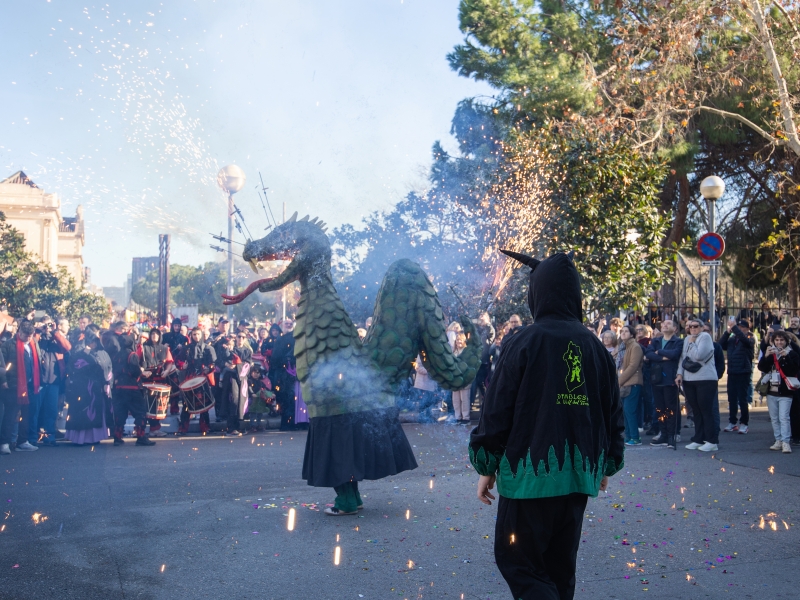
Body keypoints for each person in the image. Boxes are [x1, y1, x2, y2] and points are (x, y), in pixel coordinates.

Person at [470, 251, 624, 600]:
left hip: (530, 477)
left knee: (519, 562)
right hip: (578, 477)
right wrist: (607, 462)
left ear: (537, 293)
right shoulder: (594, 346)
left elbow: (497, 409)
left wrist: (487, 464)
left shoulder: (524, 340)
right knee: (560, 567)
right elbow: (612, 412)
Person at [0, 320, 43, 453]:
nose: (28, 338)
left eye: (30, 336)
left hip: (30, 385)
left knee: (27, 415)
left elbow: (37, 363)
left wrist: (39, 381)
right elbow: (1, 365)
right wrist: (3, 380)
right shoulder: (8, 345)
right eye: (25, 335)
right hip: (13, 385)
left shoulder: (34, 343)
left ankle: (23, 441)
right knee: (10, 415)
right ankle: (4, 443)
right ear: (19, 332)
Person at [677, 319, 719, 452]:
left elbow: (699, 356)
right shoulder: (687, 339)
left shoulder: (705, 337)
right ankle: (699, 438)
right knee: (696, 410)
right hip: (689, 379)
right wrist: (679, 374)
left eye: (695, 326)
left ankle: (711, 440)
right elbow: (683, 358)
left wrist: (692, 343)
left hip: (705, 379)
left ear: (701, 327)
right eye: (690, 326)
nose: (692, 328)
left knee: (706, 409)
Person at [64, 331, 113, 445]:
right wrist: (85, 354)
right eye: (91, 341)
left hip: (97, 389)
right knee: (82, 413)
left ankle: (95, 437)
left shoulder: (103, 353)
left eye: (95, 341)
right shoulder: (79, 353)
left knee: (95, 414)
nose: (93, 344)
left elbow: (109, 369)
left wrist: (107, 384)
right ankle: (81, 438)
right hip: (81, 389)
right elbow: (75, 367)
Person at [758, 329, 798, 453]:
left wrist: (786, 357)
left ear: (786, 341)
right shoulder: (771, 352)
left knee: (784, 417)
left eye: (781, 340)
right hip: (772, 390)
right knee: (774, 418)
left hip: (785, 391)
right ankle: (778, 440)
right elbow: (762, 367)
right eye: (777, 340)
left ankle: (786, 442)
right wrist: (766, 356)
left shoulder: (792, 353)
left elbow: (794, 370)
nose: (779, 342)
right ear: (773, 341)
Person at [111, 333, 155, 447]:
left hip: (119, 388)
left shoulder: (116, 355)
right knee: (140, 412)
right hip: (132, 388)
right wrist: (142, 371)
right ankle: (141, 436)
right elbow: (135, 372)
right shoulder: (132, 355)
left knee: (120, 412)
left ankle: (117, 437)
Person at [645, 319, 683, 448]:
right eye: (663, 324)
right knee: (660, 408)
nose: (664, 325)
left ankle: (672, 435)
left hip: (670, 380)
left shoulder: (678, 341)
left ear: (675, 329)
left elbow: (675, 354)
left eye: (668, 324)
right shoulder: (655, 341)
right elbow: (649, 354)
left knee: (671, 408)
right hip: (656, 379)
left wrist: (659, 352)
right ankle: (663, 434)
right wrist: (663, 357)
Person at [37, 316, 71, 446]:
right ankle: (32, 437)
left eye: (50, 325)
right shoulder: (39, 338)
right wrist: (39, 330)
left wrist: (55, 332)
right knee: (35, 410)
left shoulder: (58, 339)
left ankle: (49, 436)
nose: (47, 328)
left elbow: (67, 347)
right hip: (38, 380)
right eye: (46, 325)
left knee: (51, 410)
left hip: (53, 381)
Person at [720, 318, 755, 434]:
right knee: (732, 398)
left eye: (741, 327)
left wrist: (734, 328)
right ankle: (732, 422)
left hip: (743, 371)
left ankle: (744, 423)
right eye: (738, 327)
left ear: (747, 329)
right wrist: (727, 332)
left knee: (742, 399)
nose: (739, 329)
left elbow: (745, 341)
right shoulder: (732, 339)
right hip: (732, 371)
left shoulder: (750, 338)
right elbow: (721, 345)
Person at [179, 327, 217, 435]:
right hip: (189, 377)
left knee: (204, 405)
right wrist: (182, 365)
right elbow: (178, 360)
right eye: (194, 334)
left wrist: (209, 368)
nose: (196, 336)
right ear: (191, 335)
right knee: (187, 404)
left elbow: (214, 363)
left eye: (198, 334)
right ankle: (183, 428)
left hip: (203, 378)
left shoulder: (208, 348)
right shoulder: (186, 348)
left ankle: (205, 427)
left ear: (202, 335)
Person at [140, 328, 174, 437]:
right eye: (153, 334)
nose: (154, 335)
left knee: (156, 406)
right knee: (144, 406)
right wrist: (143, 372)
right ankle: (140, 430)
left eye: (157, 334)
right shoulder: (143, 347)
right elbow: (136, 362)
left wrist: (167, 371)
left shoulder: (165, 348)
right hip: (146, 380)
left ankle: (154, 429)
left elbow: (169, 362)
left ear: (160, 336)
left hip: (160, 379)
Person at [618, 325, 644, 446]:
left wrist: (619, 381)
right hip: (624, 383)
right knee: (625, 411)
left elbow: (633, 366)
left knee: (629, 410)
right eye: (622, 331)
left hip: (633, 382)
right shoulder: (622, 347)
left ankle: (635, 437)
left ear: (632, 334)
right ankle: (628, 436)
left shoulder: (635, 346)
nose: (623, 333)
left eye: (626, 331)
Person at [270, 323, 296, 431]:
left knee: (289, 398)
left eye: (290, 324)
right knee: (286, 398)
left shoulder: (294, 338)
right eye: (287, 324)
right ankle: (287, 423)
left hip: (290, 373)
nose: (288, 325)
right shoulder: (281, 339)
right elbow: (275, 358)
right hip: (283, 373)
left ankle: (288, 423)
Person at [470, 311, 496, 409]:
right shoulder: (477, 329)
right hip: (476, 361)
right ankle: (474, 403)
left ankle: (486, 402)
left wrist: (487, 323)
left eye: (483, 316)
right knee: (475, 383)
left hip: (484, 361)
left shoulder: (489, 328)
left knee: (482, 382)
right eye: (480, 316)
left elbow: (492, 336)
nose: (481, 318)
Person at [635, 325, 655, 434]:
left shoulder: (649, 342)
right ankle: (641, 420)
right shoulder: (634, 342)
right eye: (636, 330)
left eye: (641, 329)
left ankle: (649, 420)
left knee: (648, 397)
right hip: (637, 373)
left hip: (646, 372)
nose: (638, 331)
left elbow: (648, 355)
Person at [450, 333, 471, 424]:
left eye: (460, 340)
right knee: (456, 400)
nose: (459, 341)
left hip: (464, 378)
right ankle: (457, 417)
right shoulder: (453, 352)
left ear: (464, 341)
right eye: (457, 340)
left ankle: (466, 418)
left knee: (464, 399)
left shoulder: (467, 352)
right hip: (455, 379)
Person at [246, 363, 274, 432]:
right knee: (253, 413)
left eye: (258, 373)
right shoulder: (249, 381)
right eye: (254, 372)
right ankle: (252, 425)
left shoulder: (260, 382)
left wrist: (271, 394)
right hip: (253, 399)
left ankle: (258, 424)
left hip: (260, 400)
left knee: (260, 413)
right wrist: (252, 393)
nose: (256, 374)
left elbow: (265, 389)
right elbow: (249, 388)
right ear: (251, 373)